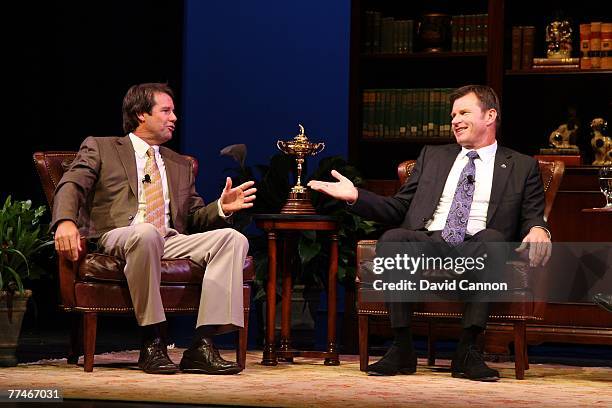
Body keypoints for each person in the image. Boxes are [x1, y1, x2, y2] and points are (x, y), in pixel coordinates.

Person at [308, 85, 551, 381]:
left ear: (490, 115)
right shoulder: (433, 156)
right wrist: (355, 196)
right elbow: (398, 207)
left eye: (463, 112)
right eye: (452, 115)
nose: (455, 120)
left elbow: (532, 216)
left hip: (477, 244)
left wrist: (539, 229)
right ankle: (402, 346)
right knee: (394, 239)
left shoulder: (521, 166)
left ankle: (468, 349)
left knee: (494, 240)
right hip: (432, 239)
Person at [52, 83, 256, 375]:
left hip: (169, 237)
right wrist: (65, 221)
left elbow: (194, 218)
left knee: (233, 239)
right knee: (146, 233)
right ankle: (153, 340)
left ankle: (202, 344)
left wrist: (222, 208)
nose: (175, 117)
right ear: (140, 114)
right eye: (166, 111)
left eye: (174, 111)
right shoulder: (102, 147)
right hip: (121, 234)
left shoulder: (179, 163)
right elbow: (71, 183)